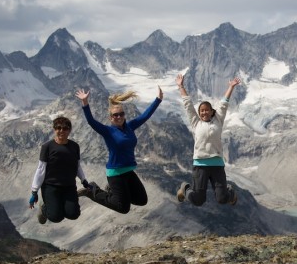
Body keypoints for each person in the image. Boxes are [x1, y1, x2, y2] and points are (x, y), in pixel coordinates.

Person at [75, 86, 163, 213]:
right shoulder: (108, 131)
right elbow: (91, 122)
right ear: (111, 118)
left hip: (128, 171)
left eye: (121, 114)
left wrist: (158, 100)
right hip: (115, 173)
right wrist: (85, 103)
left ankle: (112, 191)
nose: (119, 117)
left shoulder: (130, 127)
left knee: (142, 200)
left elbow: (145, 116)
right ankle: (92, 191)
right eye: (115, 115)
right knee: (123, 208)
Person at [175, 73, 241, 206]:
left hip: (217, 164)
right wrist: (181, 87)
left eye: (207, 110)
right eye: (201, 111)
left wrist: (231, 87)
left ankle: (231, 193)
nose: (204, 112)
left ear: (212, 112)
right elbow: (188, 105)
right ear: (199, 114)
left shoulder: (218, 120)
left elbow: (223, 104)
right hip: (200, 165)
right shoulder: (196, 123)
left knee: (222, 199)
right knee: (198, 200)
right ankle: (186, 188)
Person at [29, 116, 94, 224]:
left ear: (69, 130)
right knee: (55, 217)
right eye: (58, 128)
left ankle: (59, 205)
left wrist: (84, 181)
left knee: (73, 214)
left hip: (69, 186)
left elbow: (77, 166)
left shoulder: (74, 146)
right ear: (54, 129)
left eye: (65, 128)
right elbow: (41, 169)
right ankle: (44, 209)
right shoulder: (47, 147)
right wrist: (34, 191)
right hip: (51, 186)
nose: (61, 131)